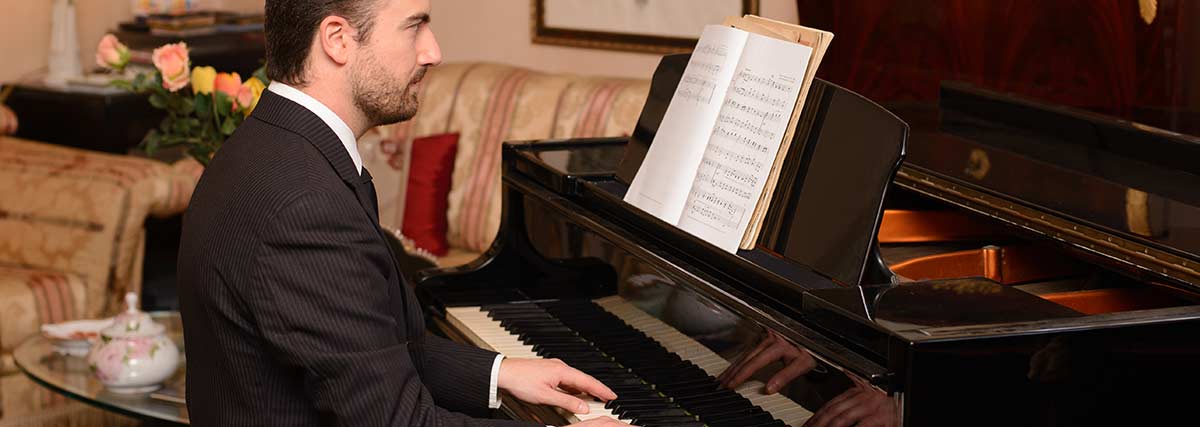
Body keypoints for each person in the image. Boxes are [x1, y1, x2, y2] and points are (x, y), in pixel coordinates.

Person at [177, 0, 626, 425]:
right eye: (414, 25)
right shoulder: (306, 204)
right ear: (337, 39)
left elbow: (368, 348)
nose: (433, 51)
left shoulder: (270, 146)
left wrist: (499, 372)